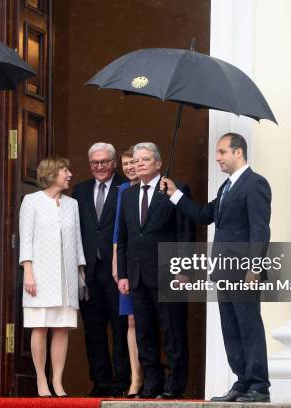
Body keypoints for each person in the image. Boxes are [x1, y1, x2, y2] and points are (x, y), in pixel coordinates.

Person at [161, 132, 272, 403]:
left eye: (222, 152)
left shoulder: (255, 184)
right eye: (217, 152)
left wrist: (254, 267)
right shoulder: (226, 188)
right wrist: (175, 194)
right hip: (223, 270)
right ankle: (243, 381)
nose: (217, 157)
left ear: (238, 152)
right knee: (231, 328)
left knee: (248, 326)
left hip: (244, 270)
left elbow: (260, 229)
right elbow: (204, 215)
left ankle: (259, 385)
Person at [116, 142, 195, 400]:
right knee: (145, 332)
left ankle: (175, 385)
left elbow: (186, 233)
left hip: (168, 273)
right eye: (136, 160)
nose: (138, 164)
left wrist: (183, 270)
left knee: (172, 331)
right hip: (137, 275)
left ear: (158, 163)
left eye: (145, 159)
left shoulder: (174, 189)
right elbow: (125, 237)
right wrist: (124, 274)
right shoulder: (127, 194)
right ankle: (152, 384)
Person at [19, 156, 86, 398]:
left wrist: (81, 274)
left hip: (67, 276)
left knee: (62, 328)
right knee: (40, 326)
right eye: (65, 170)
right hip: (40, 275)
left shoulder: (72, 204)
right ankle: (41, 380)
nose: (69, 174)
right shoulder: (32, 201)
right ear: (51, 174)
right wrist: (28, 271)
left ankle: (57, 381)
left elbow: (77, 240)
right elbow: (25, 239)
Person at [72, 143, 129, 397]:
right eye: (95, 163)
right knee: (93, 330)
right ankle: (100, 382)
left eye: (104, 162)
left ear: (114, 162)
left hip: (116, 270)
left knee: (120, 329)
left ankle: (121, 383)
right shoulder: (80, 190)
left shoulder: (125, 188)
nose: (100, 167)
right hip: (90, 272)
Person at [111, 146, 142, 398]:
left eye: (133, 162)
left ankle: (148, 373)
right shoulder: (122, 190)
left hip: (148, 264)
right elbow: (118, 232)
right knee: (130, 320)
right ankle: (135, 377)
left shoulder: (157, 187)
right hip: (126, 261)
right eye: (125, 164)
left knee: (147, 320)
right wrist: (116, 265)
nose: (129, 167)